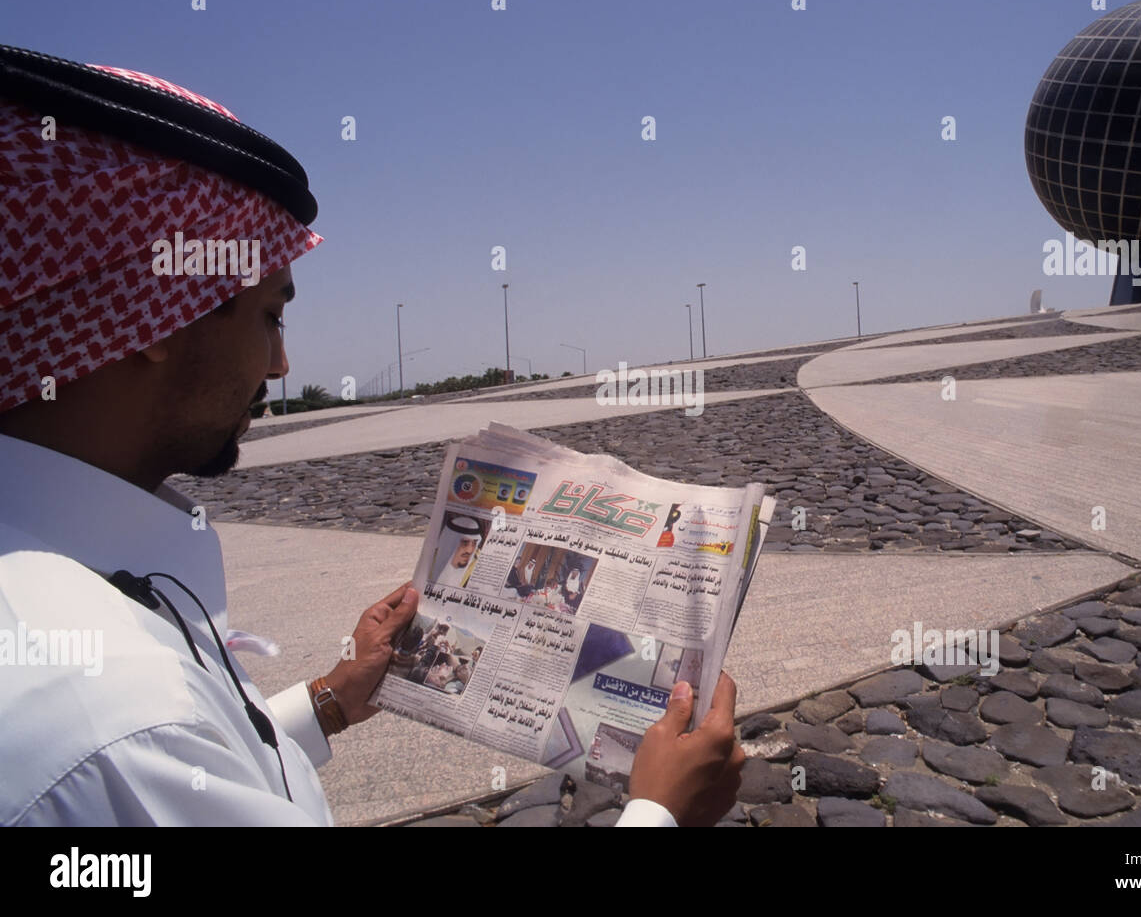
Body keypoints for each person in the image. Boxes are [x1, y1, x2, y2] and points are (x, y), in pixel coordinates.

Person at [0, 46, 743, 827]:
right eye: (269, 315)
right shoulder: (116, 726)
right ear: (153, 316)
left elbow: (198, 769)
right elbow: (151, 757)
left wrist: (328, 700)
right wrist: (659, 811)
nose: (282, 363)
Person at [433, 517, 483, 589]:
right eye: (465, 543)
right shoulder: (430, 562)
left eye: (474, 543)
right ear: (449, 544)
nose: (469, 551)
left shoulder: (475, 566)